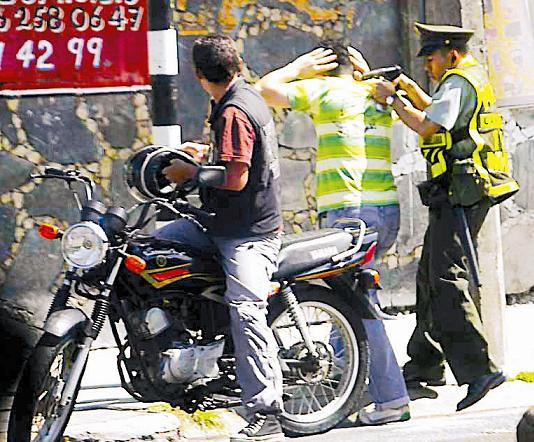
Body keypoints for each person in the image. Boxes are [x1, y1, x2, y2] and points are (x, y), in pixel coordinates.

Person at [255, 40, 411, 426]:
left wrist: (298, 65)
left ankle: (391, 398)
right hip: (386, 210)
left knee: (358, 305)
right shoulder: (375, 93)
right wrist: (366, 71)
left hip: (349, 212)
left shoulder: (327, 90)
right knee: (351, 299)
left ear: (324, 67)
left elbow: (263, 91)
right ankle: (352, 391)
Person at [372, 23, 518, 411]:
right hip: (455, 191)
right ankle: (425, 364)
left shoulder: (457, 82)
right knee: (428, 276)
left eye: (432, 58)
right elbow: (435, 110)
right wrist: (405, 88)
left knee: (446, 277)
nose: (429, 66)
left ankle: (480, 369)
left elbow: (426, 124)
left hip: (462, 192)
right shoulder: (461, 79)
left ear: (450, 53)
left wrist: (391, 101)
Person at [155, 34, 285, 442]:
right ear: (238, 64)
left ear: (198, 76)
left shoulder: (234, 111)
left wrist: (189, 174)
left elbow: (236, 177)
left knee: (246, 308)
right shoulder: (237, 98)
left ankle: (267, 410)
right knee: (152, 250)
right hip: (218, 223)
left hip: (248, 233)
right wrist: (202, 155)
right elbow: (230, 157)